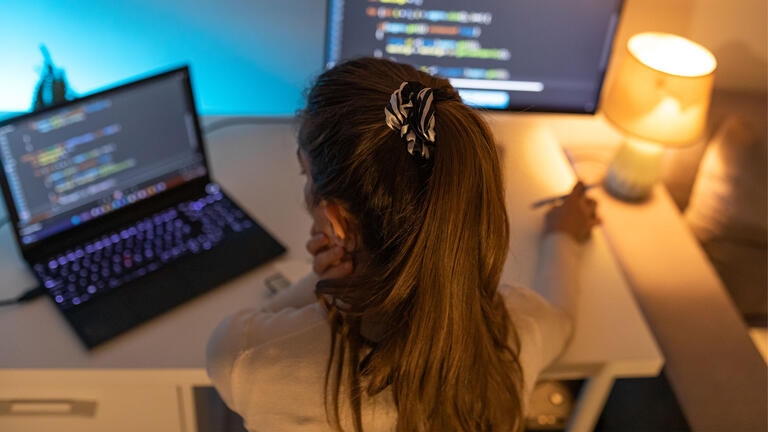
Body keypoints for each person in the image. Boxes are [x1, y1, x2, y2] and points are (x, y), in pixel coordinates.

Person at [207, 58, 599, 432]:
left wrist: (320, 280)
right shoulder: (515, 333)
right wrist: (562, 236)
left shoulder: (252, 361)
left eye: (306, 173)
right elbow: (561, 322)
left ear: (337, 222)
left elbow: (251, 328)